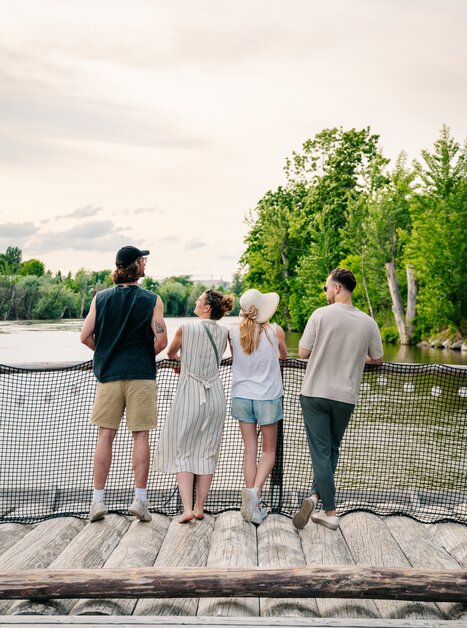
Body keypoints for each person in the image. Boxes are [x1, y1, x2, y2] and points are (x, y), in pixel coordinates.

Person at [80, 245, 167, 523]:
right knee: (140, 436)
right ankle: (140, 500)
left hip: (109, 376)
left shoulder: (100, 298)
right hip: (142, 375)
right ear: (134, 266)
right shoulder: (153, 299)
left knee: (105, 436)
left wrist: (106, 353)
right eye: (142, 260)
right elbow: (162, 341)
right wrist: (142, 355)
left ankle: (97, 502)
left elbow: (85, 336)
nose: (145, 264)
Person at [293, 268, 383, 531]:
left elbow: (302, 353)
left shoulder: (320, 315)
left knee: (321, 452)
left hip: (314, 393)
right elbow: (377, 359)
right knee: (331, 450)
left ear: (337, 289)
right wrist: (356, 357)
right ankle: (315, 497)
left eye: (326, 288)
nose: (325, 293)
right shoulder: (368, 322)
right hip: (345, 396)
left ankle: (330, 511)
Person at [154, 289, 234, 523]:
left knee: (183, 451)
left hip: (191, 393)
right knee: (208, 452)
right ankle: (201, 507)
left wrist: (182, 362)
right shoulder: (225, 332)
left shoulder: (187, 328)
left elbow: (170, 353)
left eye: (199, 300)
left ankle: (187, 509)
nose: (196, 302)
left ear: (207, 307)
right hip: (216, 395)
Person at [229, 289, 288, 524]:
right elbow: (283, 357)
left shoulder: (233, 332)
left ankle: (254, 503)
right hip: (267, 397)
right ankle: (254, 495)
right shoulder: (276, 331)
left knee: (250, 451)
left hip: (242, 396)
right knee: (268, 451)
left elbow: (235, 357)